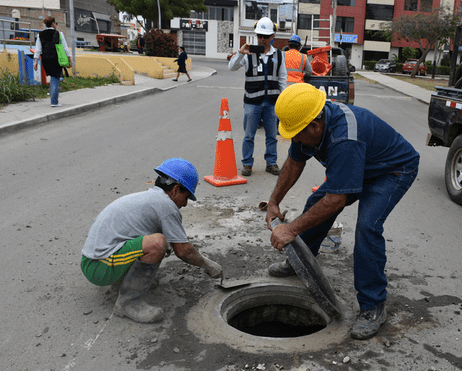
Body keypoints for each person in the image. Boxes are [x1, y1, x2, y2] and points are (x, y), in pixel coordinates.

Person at [265, 83, 420, 340]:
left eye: (298, 135)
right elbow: (294, 161)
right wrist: (273, 202)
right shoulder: (311, 122)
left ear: (314, 126)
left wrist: (290, 229)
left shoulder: (344, 137)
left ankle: (373, 307)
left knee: (367, 228)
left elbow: (336, 201)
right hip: (360, 164)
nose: (296, 140)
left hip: (391, 171)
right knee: (317, 202)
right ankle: (302, 260)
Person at [81, 158, 223, 323]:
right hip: (98, 267)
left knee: (159, 241)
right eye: (186, 197)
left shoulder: (151, 199)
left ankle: (123, 283)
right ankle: (128, 303)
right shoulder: (165, 205)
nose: (185, 203)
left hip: (96, 261)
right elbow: (183, 251)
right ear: (176, 189)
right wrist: (208, 265)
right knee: (157, 243)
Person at [228, 17, 287, 177]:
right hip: (252, 103)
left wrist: (283, 101)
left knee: (272, 135)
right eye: (260, 35)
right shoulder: (248, 54)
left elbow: (282, 79)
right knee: (249, 135)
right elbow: (231, 67)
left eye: (266, 36)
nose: (262, 39)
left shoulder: (279, 56)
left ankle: (271, 163)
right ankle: (247, 164)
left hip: (272, 103)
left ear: (272, 37)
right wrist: (241, 53)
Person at [33, 16, 72, 108]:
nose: (56, 25)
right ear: (53, 23)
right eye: (56, 23)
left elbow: (38, 49)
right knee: (55, 79)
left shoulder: (40, 34)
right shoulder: (59, 34)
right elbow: (65, 47)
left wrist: (35, 62)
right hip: (56, 59)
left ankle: (53, 99)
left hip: (45, 59)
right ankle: (54, 102)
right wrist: (69, 59)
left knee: (52, 78)